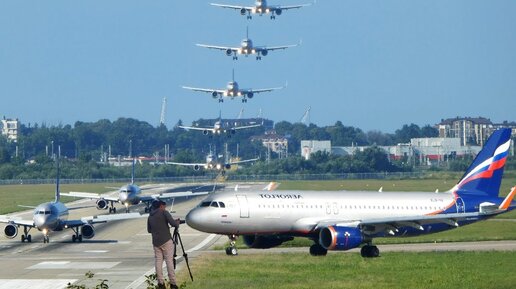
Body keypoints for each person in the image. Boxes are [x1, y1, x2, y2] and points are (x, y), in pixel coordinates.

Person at [147, 200, 180, 289]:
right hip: (166, 240)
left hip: (156, 242)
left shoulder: (150, 216)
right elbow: (173, 224)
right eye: (164, 206)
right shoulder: (164, 212)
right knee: (169, 261)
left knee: (158, 262)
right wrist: (177, 223)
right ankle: (173, 283)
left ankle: (160, 283)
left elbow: (149, 230)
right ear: (161, 206)